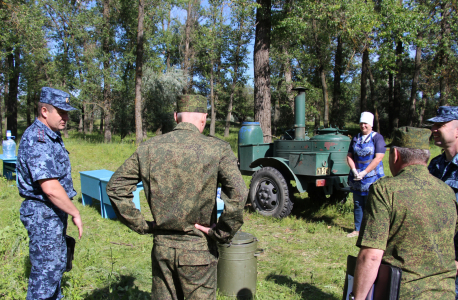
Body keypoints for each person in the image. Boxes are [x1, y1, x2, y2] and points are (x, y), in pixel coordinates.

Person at [106, 94, 248, 300]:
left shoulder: (149, 148)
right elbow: (239, 193)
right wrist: (222, 233)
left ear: (175, 117)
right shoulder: (217, 149)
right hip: (198, 249)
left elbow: (115, 187)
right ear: (204, 118)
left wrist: (143, 225)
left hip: (162, 249)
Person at [350, 126, 457, 300]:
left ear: (396, 155)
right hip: (445, 293)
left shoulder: (385, 190)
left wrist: (358, 297)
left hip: (402, 292)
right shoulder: (447, 191)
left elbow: (371, 256)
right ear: (426, 157)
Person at [17, 87, 83, 300]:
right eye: (61, 112)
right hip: (42, 213)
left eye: (67, 113)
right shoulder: (39, 139)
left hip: (51, 214)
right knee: (45, 279)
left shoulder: (50, 135)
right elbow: (51, 188)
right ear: (44, 111)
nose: (65, 117)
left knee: (54, 273)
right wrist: (75, 213)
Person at [427, 106, 458, 299]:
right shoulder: (435, 165)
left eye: (441, 125)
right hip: (436, 253)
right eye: (433, 125)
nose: (434, 129)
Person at [346, 111, 385, 237]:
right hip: (357, 177)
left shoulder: (377, 138)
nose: (363, 126)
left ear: (371, 125)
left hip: (372, 177)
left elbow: (378, 157)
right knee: (358, 203)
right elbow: (349, 156)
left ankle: (372, 230)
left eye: (366, 124)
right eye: (361, 123)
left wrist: (365, 172)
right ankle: (358, 229)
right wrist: (354, 170)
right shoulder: (356, 138)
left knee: (372, 204)